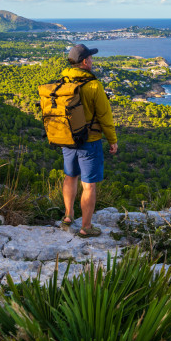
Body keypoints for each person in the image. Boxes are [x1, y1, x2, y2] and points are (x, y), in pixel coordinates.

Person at [60, 43, 118, 237]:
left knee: (70, 176)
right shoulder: (93, 85)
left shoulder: (63, 81)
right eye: (91, 58)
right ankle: (86, 227)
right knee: (89, 184)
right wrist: (112, 140)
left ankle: (68, 216)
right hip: (89, 141)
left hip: (67, 139)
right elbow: (105, 116)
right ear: (85, 62)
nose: (92, 61)